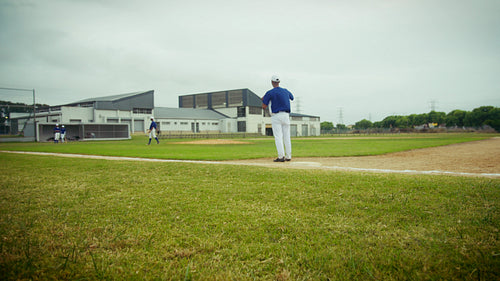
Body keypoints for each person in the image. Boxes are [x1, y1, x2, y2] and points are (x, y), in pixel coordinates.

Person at [262, 75, 294, 162]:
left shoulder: (270, 92)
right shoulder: (285, 91)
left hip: (276, 116)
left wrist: (264, 99)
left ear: (272, 82)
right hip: (286, 115)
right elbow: (292, 97)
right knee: (287, 136)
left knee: (278, 137)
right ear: (279, 82)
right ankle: (288, 156)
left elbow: (264, 106)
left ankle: (281, 156)